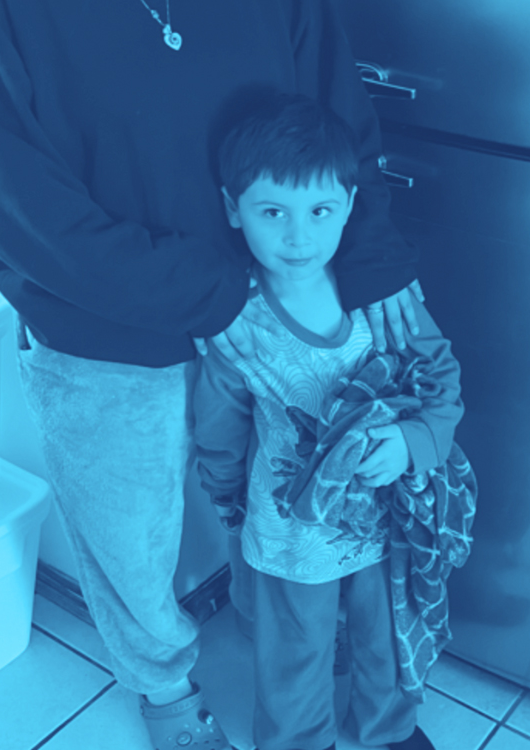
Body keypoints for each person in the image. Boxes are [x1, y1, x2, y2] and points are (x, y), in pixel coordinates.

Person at [0, 0, 421, 747]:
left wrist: (376, 258)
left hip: (280, 301)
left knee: (291, 495)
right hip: (110, 334)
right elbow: (19, 212)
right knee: (133, 537)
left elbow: (332, 101)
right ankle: (168, 697)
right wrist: (213, 289)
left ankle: (308, 660)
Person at [195, 95, 473, 750]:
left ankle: (386, 729)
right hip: (290, 531)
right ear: (234, 209)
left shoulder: (383, 302)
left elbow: (442, 382)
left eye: (320, 210)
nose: (298, 237)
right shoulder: (239, 326)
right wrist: (227, 497)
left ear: (349, 204)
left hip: (387, 520)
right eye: (272, 212)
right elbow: (219, 424)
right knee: (296, 651)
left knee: (386, 641)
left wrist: (410, 443)